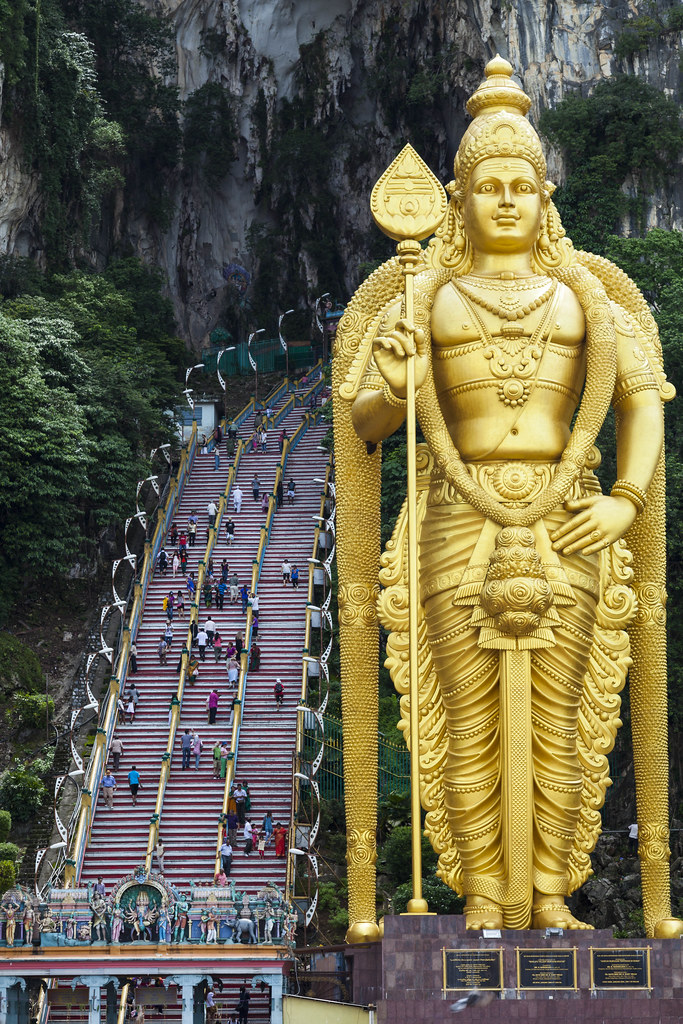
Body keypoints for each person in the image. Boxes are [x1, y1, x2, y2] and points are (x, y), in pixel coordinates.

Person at [336, 56, 673, 935]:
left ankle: (553, 891)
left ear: (546, 196)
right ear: (458, 198)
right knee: (464, 715)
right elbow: (366, 422)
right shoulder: (426, 295)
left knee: (566, 717)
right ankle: (483, 892)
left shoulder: (588, 297)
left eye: (524, 184)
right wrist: (400, 379)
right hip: (456, 515)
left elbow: (640, 402)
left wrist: (625, 501)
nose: (507, 200)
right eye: (489, 185)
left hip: (571, 517)